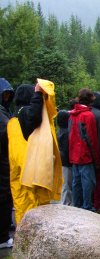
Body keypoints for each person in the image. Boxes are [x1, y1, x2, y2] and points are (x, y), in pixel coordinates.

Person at [8, 80, 62, 225]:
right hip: (29, 171)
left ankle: (22, 237)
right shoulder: (24, 112)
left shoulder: (13, 117)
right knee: (32, 208)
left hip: (17, 170)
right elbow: (34, 116)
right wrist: (38, 93)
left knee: (21, 204)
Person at [69, 88, 99, 211]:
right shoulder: (88, 115)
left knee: (76, 182)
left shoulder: (72, 114)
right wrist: (96, 159)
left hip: (74, 154)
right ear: (90, 99)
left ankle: (77, 207)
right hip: (85, 155)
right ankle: (87, 207)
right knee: (87, 182)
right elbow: (92, 139)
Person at [0, 78, 14, 248]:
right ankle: (2, 237)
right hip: (3, 160)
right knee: (3, 196)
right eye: (4, 95)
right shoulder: (2, 113)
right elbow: (6, 133)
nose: (6, 98)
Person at [57, 99, 77, 206]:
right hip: (67, 161)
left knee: (65, 183)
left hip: (62, 161)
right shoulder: (66, 132)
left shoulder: (59, 131)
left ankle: (66, 202)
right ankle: (65, 203)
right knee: (67, 184)